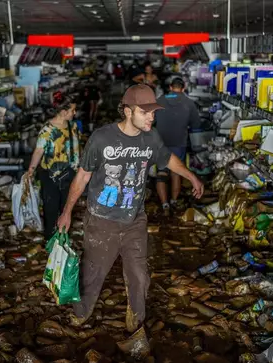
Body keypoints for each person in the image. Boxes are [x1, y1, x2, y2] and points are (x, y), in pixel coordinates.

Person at [56, 84, 204, 332]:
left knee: (140, 277)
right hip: (101, 221)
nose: (151, 117)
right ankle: (80, 315)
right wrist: (67, 211)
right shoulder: (102, 138)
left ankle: (135, 323)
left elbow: (167, 159)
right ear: (127, 111)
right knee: (92, 277)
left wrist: (191, 177)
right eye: (145, 113)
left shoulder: (151, 137)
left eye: (153, 113)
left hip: (135, 218)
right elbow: (82, 177)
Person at [26, 94, 79, 240]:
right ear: (63, 112)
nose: (75, 113)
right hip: (50, 175)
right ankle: (50, 240)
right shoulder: (47, 130)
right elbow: (39, 151)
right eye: (72, 110)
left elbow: (75, 149)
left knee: (66, 208)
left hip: (69, 174)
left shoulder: (73, 126)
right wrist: (31, 169)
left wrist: (78, 169)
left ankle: (63, 240)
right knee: (50, 208)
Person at [153, 77, 201, 215]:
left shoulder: (160, 100)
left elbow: (151, 120)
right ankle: (174, 200)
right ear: (183, 88)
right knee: (176, 172)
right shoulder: (189, 103)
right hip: (179, 143)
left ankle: (165, 205)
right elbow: (196, 125)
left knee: (161, 173)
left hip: (161, 142)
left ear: (170, 87)